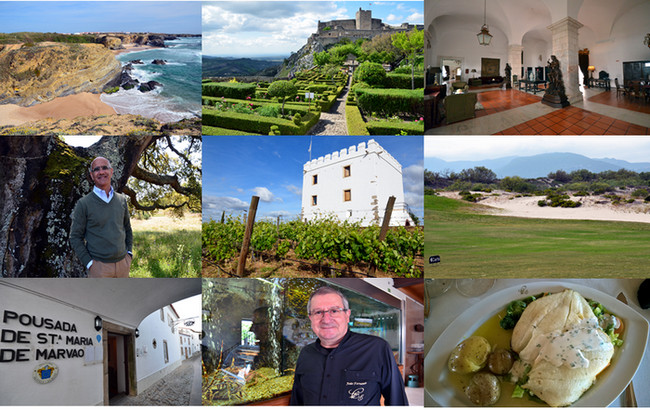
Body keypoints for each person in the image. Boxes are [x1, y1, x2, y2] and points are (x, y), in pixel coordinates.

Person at [290, 287, 408, 406]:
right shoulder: (305, 354)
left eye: (334, 311)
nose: (326, 319)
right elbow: (297, 401)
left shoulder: (377, 348)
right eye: (318, 312)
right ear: (311, 318)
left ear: (347, 315)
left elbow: (397, 401)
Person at [70, 157, 133, 278]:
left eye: (105, 168)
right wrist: (89, 263)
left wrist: (129, 254)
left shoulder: (122, 200)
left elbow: (127, 229)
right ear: (92, 175)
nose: (101, 172)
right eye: (96, 169)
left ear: (111, 171)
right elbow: (75, 237)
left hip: (123, 265)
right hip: (99, 269)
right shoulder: (84, 204)